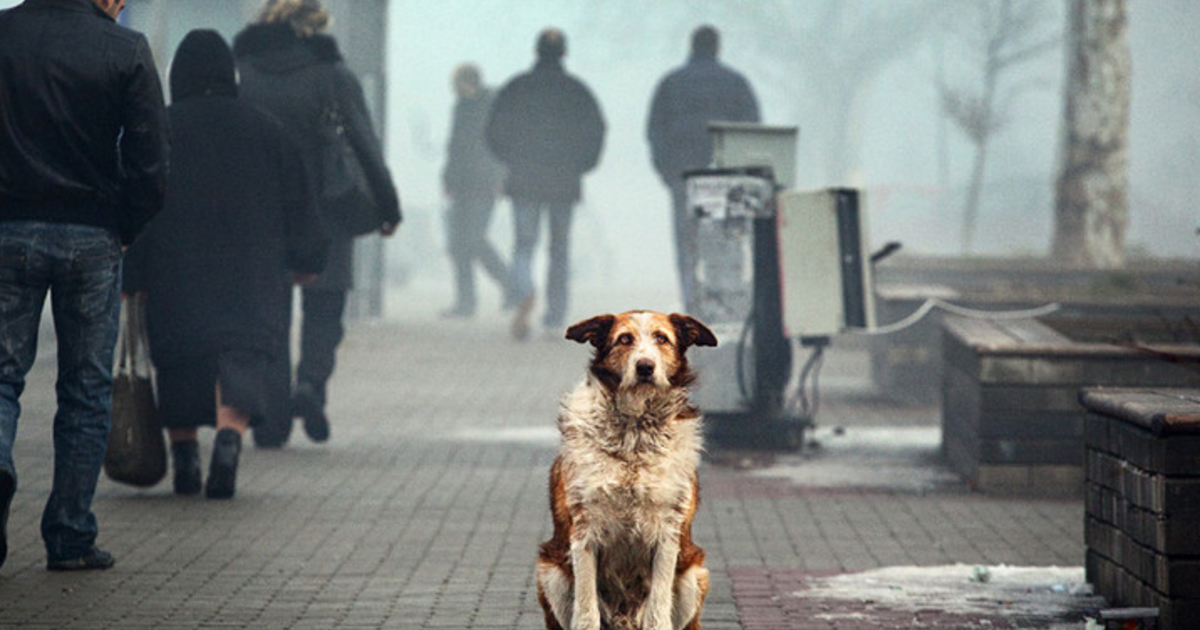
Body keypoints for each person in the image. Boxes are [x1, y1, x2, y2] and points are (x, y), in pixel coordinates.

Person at [123, 30, 329, 499]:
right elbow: (301, 203)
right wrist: (308, 260)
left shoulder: (160, 130)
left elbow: (134, 203)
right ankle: (229, 442)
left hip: (175, 275)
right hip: (251, 277)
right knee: (240, 357)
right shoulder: (267, 130)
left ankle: (185, 458)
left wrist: (131, 273)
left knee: (178, 360)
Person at [0, 0, 168, 570]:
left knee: (1, 375)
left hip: (9, 226)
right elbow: (151, 160)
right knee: (86, 391)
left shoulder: (5, 33)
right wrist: (127, 224)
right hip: (93, 234)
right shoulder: (124, 49)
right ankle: (70, 536)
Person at [233, 0, 401, 445]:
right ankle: (310, 383)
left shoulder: (243, 71)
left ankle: (271, 419)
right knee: (325, 307)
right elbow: (365, 143)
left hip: (261, 211)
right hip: (329, 208)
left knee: (270, 312)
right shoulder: (332, 74)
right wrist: (387, 208)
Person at [486, 28, 605, 340]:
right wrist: (583, 165)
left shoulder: (516, 88)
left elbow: (493, 130)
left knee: (524, 244)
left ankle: (524, 291)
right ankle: (555, 316)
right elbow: (596, 130)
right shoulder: (578, 91)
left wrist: (509, 159)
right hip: (564, 182)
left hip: (523, 179)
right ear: (564, 53)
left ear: (535, 51)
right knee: (559, 249)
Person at [647, 25, 760, 309]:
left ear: (691, 46)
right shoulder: (736, 83)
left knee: (687, 246)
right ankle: (724, 304)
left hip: (683, 176)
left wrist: (666, 172)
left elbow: (654, 131)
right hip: (726, 178)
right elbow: (752, 130)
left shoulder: (670, 83)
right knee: (726, 242)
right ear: (717, 47)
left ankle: (692, 304)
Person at [440, 63, 507, 319]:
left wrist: (499, 178)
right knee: (459, 245)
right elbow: (454, 147)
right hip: (462, 186)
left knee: (474, 239)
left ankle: (511, 285)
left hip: (483, 185)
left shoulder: (491, 106)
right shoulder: (461, 107)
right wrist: (448, 180)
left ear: (468, 83)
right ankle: (465, 303)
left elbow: (500, 146)